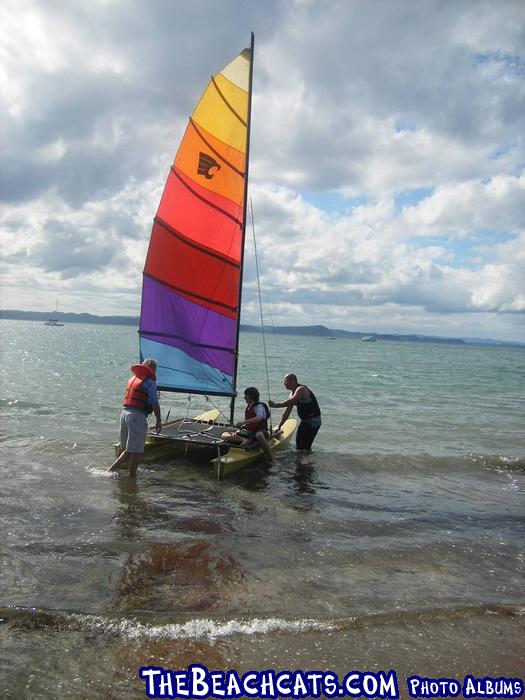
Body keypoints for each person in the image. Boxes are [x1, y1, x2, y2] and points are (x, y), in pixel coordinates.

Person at [109, 358, 161, 477]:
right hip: (136, 416)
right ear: (153, 370)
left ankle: (114, 471)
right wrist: (159, 421)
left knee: (128, 449)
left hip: (125, 414)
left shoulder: (132, 379)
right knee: (136, 451)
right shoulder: (149, 382)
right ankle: (130, 476)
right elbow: (154, 403)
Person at [269, 373, 321, 450]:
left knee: (305, 446)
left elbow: (291, 401)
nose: (284, 383)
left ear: (293, 381)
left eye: (286, 381)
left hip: (313, 421)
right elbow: (287, 412)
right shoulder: (291, 394)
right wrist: (280, 426)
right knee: (299, 445)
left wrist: (275, 405)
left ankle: (307, 461)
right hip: (304, 421)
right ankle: (301, 460)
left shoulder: (301, 389)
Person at [221, 387, 274, 462]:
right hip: (250, 432)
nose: (244, 397)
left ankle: (270, 458)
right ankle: (244, 440)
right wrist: (244, 426)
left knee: (259, 435)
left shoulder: (258, 406)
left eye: (245, 395)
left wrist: (243, 422)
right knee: (224, 435)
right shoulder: (249, 407)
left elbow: (259, 418)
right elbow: (251, 422)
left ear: (250, 396)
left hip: (261, 431)